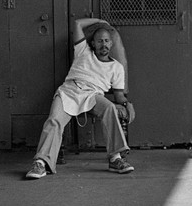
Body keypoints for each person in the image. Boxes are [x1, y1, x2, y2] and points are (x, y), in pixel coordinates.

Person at [26, 17, 133, 178]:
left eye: (106, 41)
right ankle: (41, 163)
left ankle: (115, 159)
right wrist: (100, 21)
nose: (103, 44)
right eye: (99, 41)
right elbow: (77, 24)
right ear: (93, 44)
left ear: (111, 44)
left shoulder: (116, 67)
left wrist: (127, 104)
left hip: (93, 95)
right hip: (69, 91)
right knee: (54, 120)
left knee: (110, 108)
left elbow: (118, 95)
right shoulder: (83, 51)